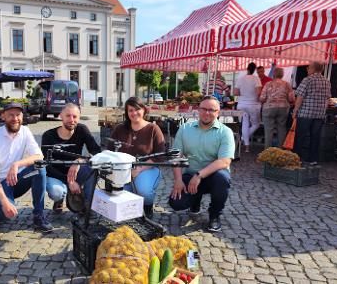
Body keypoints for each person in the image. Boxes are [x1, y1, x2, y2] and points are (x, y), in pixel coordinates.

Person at [168, 96, 235, 232]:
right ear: (198, 110)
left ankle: (215, 216)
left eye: (212, 110)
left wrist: (199, 176)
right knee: (176, 203)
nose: (207, 113)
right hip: (191, 174)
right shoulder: (185, 129)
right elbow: (176, 156)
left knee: (222, 179)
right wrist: (178, 180)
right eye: (204, 109)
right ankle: (195, 202)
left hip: (214, 176)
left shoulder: (225, 132)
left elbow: (225, 161)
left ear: (218, 112)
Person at [0, 102, 53, 232]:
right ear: (3, 116)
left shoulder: (25, 131)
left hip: (15, 180)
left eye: (18, 115)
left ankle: (38, 215)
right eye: (11, 115)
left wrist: (17, 164)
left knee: (39, 168)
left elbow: (39, 156)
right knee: (6, 215)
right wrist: (4, 203)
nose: (15, 118)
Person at [108, 97, 166, 218]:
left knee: (143, 190)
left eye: (137, 109)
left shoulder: (153, 129)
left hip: (148, 167)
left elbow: (161, 155)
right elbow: (109, 151)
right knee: (120, 195)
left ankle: (147, 205)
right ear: (127, 113)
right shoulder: (119, 129)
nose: (134, 113)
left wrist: (139, 169)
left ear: (144, 110)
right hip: (123, 170)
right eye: (130, 110)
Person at [41, 104, 101, 214]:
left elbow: (96, 151)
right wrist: (70, 181)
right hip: (55, 174)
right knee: (57, 192)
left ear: (79, 117)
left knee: (95, 169)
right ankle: (60, 199)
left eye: (75, 116)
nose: (71, 120)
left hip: (76, 172)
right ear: (61, 116)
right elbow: (46, 165)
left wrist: (79, 161)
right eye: (68, 116)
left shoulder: (82, 129)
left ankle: (87, 204)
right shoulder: (48, 136)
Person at [292, 61, 331, 165]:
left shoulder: (307, 79)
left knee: (301, 136)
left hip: (306, 113)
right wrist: (323, 110)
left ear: (313, 69)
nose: (307, 69)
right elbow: (328, 98)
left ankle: (297, 158)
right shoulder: (326, 81)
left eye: (308, 67)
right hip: (319, 114)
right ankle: (313, 159)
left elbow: (300, 96)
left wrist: (295, 110)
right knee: (315, 137)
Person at [259, 68, 295, 148]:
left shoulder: (268, 84)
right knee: (282, 129)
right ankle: (280, 151)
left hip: (269, 108)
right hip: (283, 109)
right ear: (282, 75)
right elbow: (291, 99)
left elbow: (262, 98)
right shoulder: (287, 84)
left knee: (269, 130)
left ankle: (267, 152)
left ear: (273, 74)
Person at [234, 62, 262, 152]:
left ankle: (246, 146)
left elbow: (236, 93)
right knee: (256, 124)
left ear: (247, 68)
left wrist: (244, 94)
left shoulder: (240, 78)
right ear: (255, 70)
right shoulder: (256, 79)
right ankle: (243, 138)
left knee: (245, 123)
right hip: (253, 105)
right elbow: (258, 93)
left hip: (241, 104)